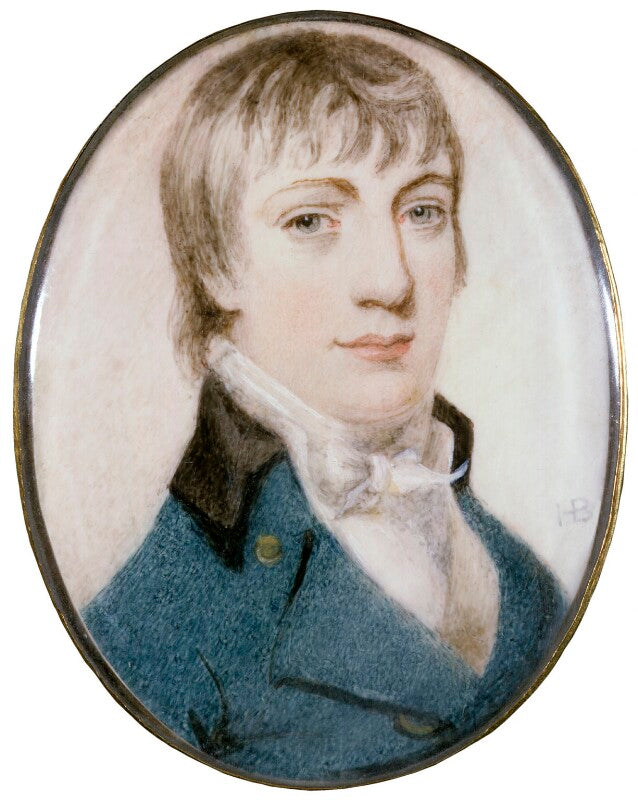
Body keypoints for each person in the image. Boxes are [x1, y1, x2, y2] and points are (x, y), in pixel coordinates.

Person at [82, 29, 567, 785]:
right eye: (311, 221)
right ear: (215, 264)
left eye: (423, 211)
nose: (390, 281)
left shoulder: (527, 582)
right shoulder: (153, 627)